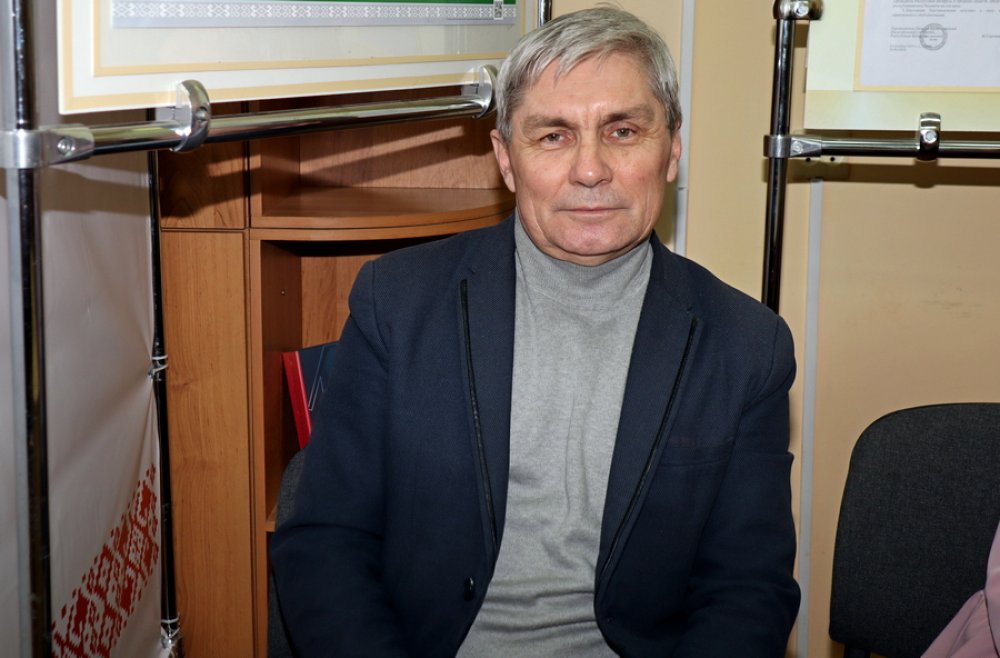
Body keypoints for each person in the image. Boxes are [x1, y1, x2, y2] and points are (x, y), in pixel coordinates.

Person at [270, 6, 800, 657]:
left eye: (623, 131)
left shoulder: (746, 345)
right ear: (505, 160)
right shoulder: (399, 305)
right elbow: (326, 541)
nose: (590, 169)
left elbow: (747, 590)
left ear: (671, 150)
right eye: (553, 136)